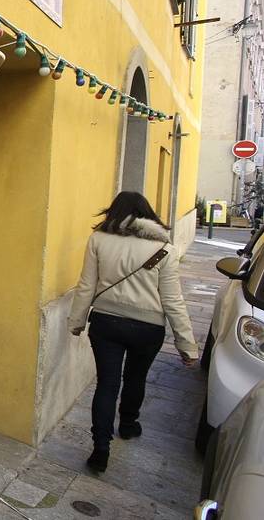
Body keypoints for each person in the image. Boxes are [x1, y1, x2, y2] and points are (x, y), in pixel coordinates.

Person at [68, 191, 199, 473]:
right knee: (136, 378)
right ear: (147, 215)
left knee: (107, 384)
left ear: (113, 212)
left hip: (106, 323)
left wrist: (76, 321)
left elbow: (86, 285)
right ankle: (128, 425)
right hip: (148, 328)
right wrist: (187, 345)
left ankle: (100, 448)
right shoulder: (164, 248)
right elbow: (173, 300)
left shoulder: (98, 240)